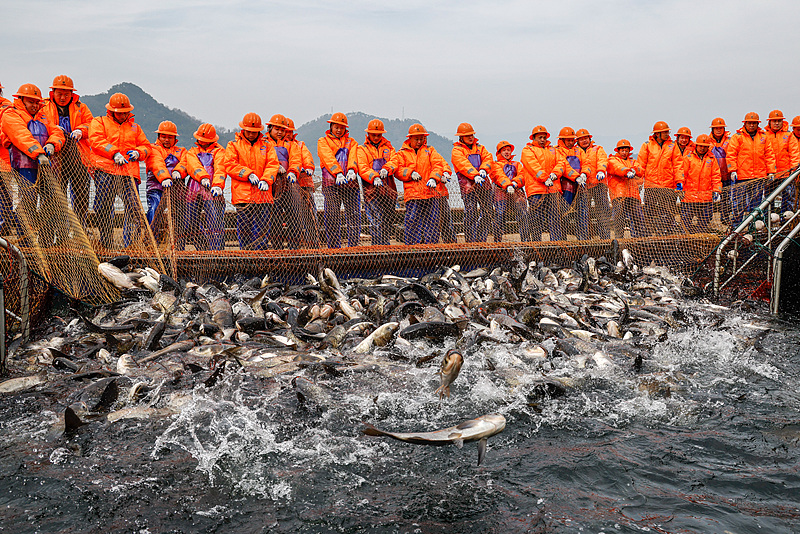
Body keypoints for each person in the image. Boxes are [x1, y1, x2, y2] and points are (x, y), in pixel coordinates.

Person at [1, 83, 65, 245]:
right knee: (28, 200)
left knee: (50, 201)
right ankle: (25, 241)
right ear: (21, 100)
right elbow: (21, 136)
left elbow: (57, 131)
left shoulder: (43, 115)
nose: (35, 106)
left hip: (46, 167)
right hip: (24, 166)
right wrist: (39, 153)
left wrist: (52, 144)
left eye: (37, 102)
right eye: (31, 102)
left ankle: (46, 239)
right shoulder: (11, 114)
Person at [89, 92, 151, 250]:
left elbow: (146, 146)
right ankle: (106, 243)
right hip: (106, 172)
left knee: (134, 209)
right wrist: (114, 153)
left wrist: (139, 152)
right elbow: (96, 140)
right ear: (111, 111)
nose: (123, 115)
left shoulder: (135, 127)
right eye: (120, 113)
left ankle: (130, 245)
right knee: (102, 208)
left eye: (125, 113)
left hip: (128, 174)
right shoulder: (99, 122)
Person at [41, 75, 94, 227]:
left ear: (72, 93)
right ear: (53, 92)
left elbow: (91, 125)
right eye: (59, 93)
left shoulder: (81, 107)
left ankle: (80, 227)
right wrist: (52, 127)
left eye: (66, 94)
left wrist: (80, 131)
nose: (63, 97)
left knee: (81, 193)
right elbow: (40, 121)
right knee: (55, 193)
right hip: (55, 156)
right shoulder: (44, 106)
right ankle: (57, 229)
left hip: (78, 156)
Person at [225, 112, 278, 250]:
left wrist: (266, 180)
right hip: (243, 196)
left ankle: (260, 261)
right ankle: (246, 258)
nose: (251, 134)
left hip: (263, 195)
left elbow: (272, 164)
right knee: (244, 230)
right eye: (249, 131)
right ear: (244, 129)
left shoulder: (267, 145)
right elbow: (229, 165)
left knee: (262, 230)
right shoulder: (233, 145)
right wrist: (247, 174)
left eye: (254, 132)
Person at [386, 123, 446, 245]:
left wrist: (434, 178)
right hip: (413, 195)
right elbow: (398, 170)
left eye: (421, 139)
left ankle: (431, 246)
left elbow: (438, 165)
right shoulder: (402, 153)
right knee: (412, 221)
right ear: (410, 139)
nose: (419, 141)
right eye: (417, 139)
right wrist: (410, 173)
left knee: (433, 221)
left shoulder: (430, 150)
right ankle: (412, 247)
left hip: (430, 193)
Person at [177, 123, 226, 250]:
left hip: (212, 191)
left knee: (215, 223)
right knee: (189, 223)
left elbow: (220, 169)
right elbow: (193, 165)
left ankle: (216, 251)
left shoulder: (219, 152)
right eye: (200, 139)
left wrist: (218, 185)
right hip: (193, 189)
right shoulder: (192, 152)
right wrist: (203, 177)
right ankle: (203, 247)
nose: (202, 142)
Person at [317, 112, 360, 248]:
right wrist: (338, 173)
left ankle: (353, 246)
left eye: (341, 127)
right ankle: (334, 247)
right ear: (331, 127)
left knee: (354, 215)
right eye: (336, 127)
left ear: (345, 128)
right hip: (331, 184)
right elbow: (328, 158)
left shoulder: (352, 142)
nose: (339, 130)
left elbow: (354, 156)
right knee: (332, 216)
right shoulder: (323, 141)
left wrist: (352, 169)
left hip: (350, 183)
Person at [726, 112, 777, 226]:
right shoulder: (737, 137)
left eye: (754, 123)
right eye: (750, 123)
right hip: (741, 177)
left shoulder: (763, 137)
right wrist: (732, 170)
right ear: (745, 123)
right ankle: (736, 227)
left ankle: (753, 227)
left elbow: (769, 155)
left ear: (758, 124)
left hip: (758, 177)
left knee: (756, 203)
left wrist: (771, 171)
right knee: (738, 203)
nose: (752, 125)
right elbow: (731, 154)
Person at [520, 125, 567, 241]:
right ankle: (537, 243)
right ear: (533, 138)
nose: (542, 140)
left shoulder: (553, 150)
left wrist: (555, 174)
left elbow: (561, 163)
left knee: (555, 218)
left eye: (544, 137)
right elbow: (532, 166)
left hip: (553, 189)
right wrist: (544, 178)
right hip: (536, 190)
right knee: (537, 218)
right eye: (540, 137)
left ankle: (557, 243)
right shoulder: (528, 150)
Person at [264, 113, 304, 249]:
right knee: (274, 219)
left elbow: (296, 159)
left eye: (282, 130)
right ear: (270, 128)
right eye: (277, 129)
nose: (280, 132)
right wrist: (276, 166)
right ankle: (277, 249)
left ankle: (294, 249)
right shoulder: (264, 143)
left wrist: (293, 171)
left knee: (295, 217)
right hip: (271, 187)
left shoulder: (291, 144)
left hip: (290, 185)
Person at [637, 121, 684, 235]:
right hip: (651, 186)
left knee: (668, 211)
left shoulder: (673, 145)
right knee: (649, 211)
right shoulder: (647, 145)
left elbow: (678, 165)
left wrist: (679, 181)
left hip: (667, 186)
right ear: (657, 134)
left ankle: (666, 232)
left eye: (668, 131)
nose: (667, 134)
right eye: (665, 132)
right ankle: (649, 233)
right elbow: (641, 165)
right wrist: (638, 183)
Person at [451, 123, 494, 243]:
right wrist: (475, 175)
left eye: (471, 135)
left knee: (487, 211)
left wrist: (484, 169)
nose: (470, 137)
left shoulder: (480, 148)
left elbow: (488, 158)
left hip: (483, 184)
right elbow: (462, 164)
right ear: (461, 137)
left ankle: (481, 238)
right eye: (467, 135)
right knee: (471, 212)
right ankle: (471, 240)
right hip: (468, 186)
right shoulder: (457, 150)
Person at [356, 119, 396, 246]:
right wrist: (374, 177)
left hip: (388, 189)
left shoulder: (389, 148)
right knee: (375, 219)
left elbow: (395, 161)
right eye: (374, 134)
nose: (376, 137)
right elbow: (362, 167)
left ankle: (385, 244)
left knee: (387, 219)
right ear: (368, 134)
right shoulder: (362, 149)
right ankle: (377, 245)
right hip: (371, 190)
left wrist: (386, 169)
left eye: (379, 135)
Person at [144, 121, 185, 225]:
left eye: (170, 137)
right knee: (154, 208)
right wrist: (164, 178)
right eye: (164, 137)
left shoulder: (182, 151)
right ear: (159, 136)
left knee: (181, 212)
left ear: (175, 139)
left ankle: (179, 238)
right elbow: (156, 163)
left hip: (176, 189)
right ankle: (151, 237)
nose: (167, 140)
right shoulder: (153, 148)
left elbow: (186, 163)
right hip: (156, 187)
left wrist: (178, 171)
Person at [680, 134, 722, 234]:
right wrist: (679, 189)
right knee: (685, 221)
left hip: (706, 198)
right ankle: (687, 238)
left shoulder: (712, 159)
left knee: (705, 220)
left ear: (708, 147)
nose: (702, 148)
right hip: (689, 198)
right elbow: (682, 175)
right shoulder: (688, 158)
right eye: (700, 146)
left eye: (705, 146)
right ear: (696, 146)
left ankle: (700, 236)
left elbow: (716, 176)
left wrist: (717, 190)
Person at [606, 139, 647, 238]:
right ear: (618, 151)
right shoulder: (612, 160)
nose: (624, 153)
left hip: (632, 194)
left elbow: (641, 170)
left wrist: (634, 170)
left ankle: (639, 238)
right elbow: (617, 167)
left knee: (638, 217)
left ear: (629, 151)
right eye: (622, 150)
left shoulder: (633, 161)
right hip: (619, 194)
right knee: (619, 217)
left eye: (626, 150)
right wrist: (626, 171)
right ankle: (619, 239)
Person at [490, 141, 530, 242]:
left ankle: (525, 239)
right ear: (499, 152)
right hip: (500, 192)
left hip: (516, 192)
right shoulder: (496, 164)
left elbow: (522, 175)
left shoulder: (517, 164)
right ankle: (498, 240)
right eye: (504, 150)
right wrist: (507, 185)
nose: (507, 152)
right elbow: (498, 175)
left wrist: (515, 183)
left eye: (508, 150)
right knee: (500, 214)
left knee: (522, 213)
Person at [575, 129, 610, 239]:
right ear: (577, 141)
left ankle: (605, 238)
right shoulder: (575, 151)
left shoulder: (598, 149)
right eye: (581, 139)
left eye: (586, 138)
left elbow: (603, 160)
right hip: (583, 186)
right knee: (583, 213)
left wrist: (601, 170)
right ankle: (584, 238)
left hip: (598, 184)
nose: (584, 140)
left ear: (590, 138)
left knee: (602, 211)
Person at [763, 110, 800, 211]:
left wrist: (794, 172)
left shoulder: (789, 135)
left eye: (779, 121)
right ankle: (767, 222)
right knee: (768, 200)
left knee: (788, 199)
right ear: (769, 122)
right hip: (770, 175)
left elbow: (794, 154)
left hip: (786, 174)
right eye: (774, 121)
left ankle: (786, 223)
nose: (776, 123)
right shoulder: (764, 135)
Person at [709, 117, 733, 224]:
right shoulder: (707, 141)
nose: (718, 130)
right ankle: (709, 220)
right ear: (712, 130)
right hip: (712, 176)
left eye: (721, 128)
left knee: (726, 198)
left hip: (726, 175)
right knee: (710, 199)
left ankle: (725, 218)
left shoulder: (729, 140)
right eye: (716, 128)